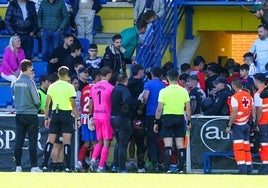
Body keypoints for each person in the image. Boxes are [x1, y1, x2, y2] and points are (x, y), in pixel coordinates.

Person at [42, 66, 81, 172]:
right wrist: (77, 119)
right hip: (66, 115)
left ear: (58, 75)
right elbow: (73, 105)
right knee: (67, 142)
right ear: (67, 75)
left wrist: (46, 118)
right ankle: (67, 167)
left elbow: (46, 105)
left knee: (50, 141)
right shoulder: (70, 87)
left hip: (55, 114)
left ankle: (45, 165)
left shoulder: (52, 86)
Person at [153, 69, 191, 174]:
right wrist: (189, 122)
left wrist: (156, 122)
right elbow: (188, 108)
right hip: (179, 118)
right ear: (178, 78)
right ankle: (181, 169)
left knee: (168, 144)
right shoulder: (183, 91)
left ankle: (167, 168)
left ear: (167, 79)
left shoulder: (164, 91)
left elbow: (159, 108)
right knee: (180, 144)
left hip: (167, 118)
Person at [12, 59, 42, 172]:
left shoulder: (14, 82)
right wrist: (37, 106)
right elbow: (36, 99)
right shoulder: (30, 82)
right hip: (31, 114)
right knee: (32, 141)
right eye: (31, 68)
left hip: (19, 113)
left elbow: (14, 96)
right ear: (29, 68)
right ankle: (34, 166)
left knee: (19, 141)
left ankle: (18, 166)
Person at [111, 73, 142, 173]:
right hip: (122, 119)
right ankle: (122, 168)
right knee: (123, 144)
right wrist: (138, 101)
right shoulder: (125, 90)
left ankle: (114, 165)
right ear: (126, 80)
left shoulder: (114, 89)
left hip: (113, 118)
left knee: (118, 143)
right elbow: (127, 101)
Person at [88, 66, 114, 172]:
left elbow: (91, 103)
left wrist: (91, 116)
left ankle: (93, 160)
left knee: (99, 141)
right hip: (106, 116)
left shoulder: (94, 87)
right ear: (108, 74)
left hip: (96, 116)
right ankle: (101, 166)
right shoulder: (111, 88)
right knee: (107, 141)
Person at [226, 78, 254, 174]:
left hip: (238, 125)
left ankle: (242, 170)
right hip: (247, 124)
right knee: (247, 148)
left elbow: (234, 112)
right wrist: (253, 121)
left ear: (233, 86)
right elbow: (253, 109)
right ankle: (249, 169)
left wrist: (229, 125)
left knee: (239, 149)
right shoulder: (249, 96)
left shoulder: (235, 97)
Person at [141, 67, 165, 172]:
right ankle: (161, 161)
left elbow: (145, 97)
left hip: (151, 114)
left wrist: (141, 107)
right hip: (162, 114)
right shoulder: (163, 86)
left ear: (151, 74)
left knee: (151, 139)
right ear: (161, 75)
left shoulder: (148, 84)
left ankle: (154, 162)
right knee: (159, 138)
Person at [76, 69, 101, 171]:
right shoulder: (97, 88)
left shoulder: (85, 88)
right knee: (95, 142)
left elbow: (82, 103)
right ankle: (92, 163)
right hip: (92, 119)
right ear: (97, 77)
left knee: (86, 143)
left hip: (84, 118)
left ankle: (79, 162)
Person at [126, 64, 146, 172]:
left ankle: (120, 164)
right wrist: (140, 107)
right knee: (139, 140)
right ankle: (141, 166)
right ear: (139, 72)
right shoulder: (142, 85)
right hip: (138, 116)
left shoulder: (127, 83)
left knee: (125, 141)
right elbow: (144, 98)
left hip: (127, 116)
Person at [253, 73, 268, 174]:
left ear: (257, 81)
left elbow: (259, 109)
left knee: (264, 145)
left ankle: (265, 167)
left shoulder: (259, 93)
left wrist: (256, 123)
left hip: (264, 122)